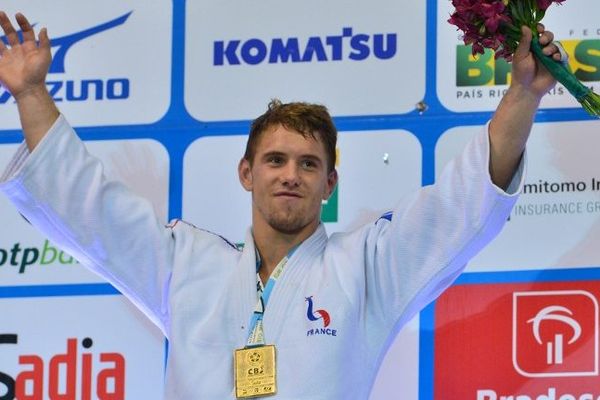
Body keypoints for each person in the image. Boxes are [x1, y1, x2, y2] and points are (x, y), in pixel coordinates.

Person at [0, 11, 564, 400]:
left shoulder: (367, 268)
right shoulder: (186, 263)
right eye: (274, 161)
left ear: (330, 183)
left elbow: (461, 206)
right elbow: (92, 210)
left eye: (308, 164)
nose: (290, 176)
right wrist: (30, 93)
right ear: (246, 173)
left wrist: (523, 94)